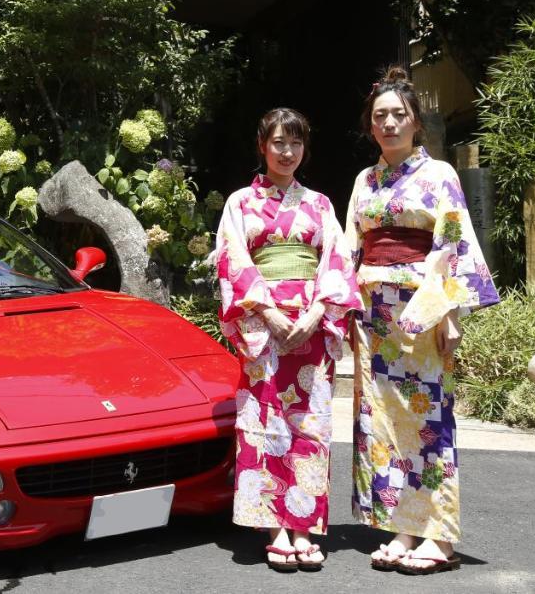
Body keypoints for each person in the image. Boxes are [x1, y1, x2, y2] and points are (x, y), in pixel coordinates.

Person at [345, 66, 499, 575]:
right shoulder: (365, 181)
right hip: (372, 312)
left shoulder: (439, 176)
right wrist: (343, 306)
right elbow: (350, 247)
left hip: (419, 308)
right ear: (370, 126)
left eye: (398, 114)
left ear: (416, 124)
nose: (388, 123)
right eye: (380, 116)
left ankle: (439, 534)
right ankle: (402, 527)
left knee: (428, 419)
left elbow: (453, 244)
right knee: (381, 422)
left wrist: (446, 311)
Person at [214, 107, 361, 572]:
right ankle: (275, 525)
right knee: (264, 422)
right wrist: (270, 312)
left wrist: (318, 311)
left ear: (304, 149)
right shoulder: (240, 202)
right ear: (263, 146)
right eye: (278, 142)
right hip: (263, 325)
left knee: (311, 424)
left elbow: (337, 261)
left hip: (312, 327)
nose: (287, 152)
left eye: (295, 143)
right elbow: (231, 260)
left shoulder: (319, 204)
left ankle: (305, 524)